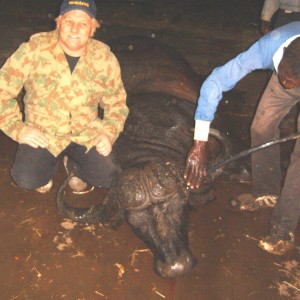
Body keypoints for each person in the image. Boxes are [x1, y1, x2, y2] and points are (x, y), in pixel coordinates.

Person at [184, 22, 300, 255]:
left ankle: (284, 226)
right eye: (286, 75)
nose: (290, 84)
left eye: (293, 81)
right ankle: (266, 191)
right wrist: (200, 142)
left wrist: (294, 77)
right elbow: (216, 81)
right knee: (261, 128)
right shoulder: (269, 46)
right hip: (283, 71)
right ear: (282, 55)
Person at [0, 0, 128, 193]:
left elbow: (117, 104)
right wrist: (19, 129)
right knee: (26, 178)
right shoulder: (34, 50)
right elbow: (2, 90)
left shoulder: (105, 58)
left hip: (86, 134)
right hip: (44, 134)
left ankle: (74, 167)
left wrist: (108, 134)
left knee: (109, 177)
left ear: (93, 28)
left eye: (83, 23)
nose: (75, 28)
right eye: (69, 21)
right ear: (58, 22)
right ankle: (47, 168)